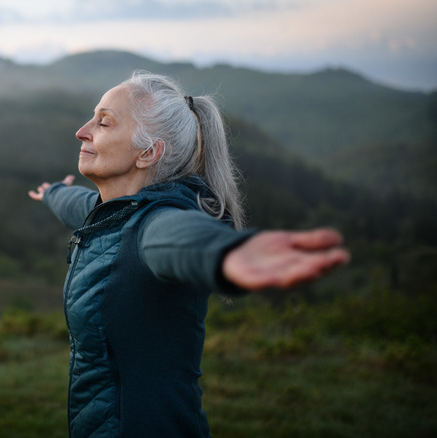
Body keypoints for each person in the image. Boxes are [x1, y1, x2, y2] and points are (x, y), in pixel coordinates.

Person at [28, 72, 350, 438]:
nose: (82, 131)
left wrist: (226, 253)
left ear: (148, 153)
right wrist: (52, 193)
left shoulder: (153, 224)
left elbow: (180, 239)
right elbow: (81, 206)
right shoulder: (115, 212)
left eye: (103, 122)